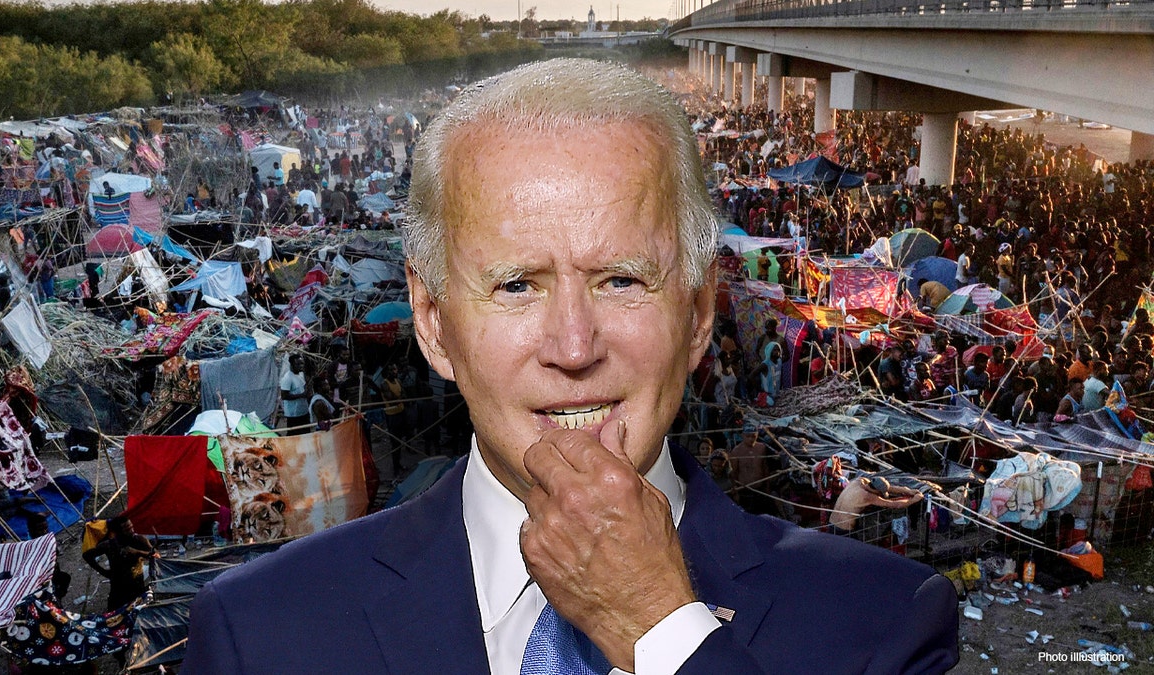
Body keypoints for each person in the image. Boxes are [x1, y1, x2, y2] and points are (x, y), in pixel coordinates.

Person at [183, 59, 958, 675]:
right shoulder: (263, 631)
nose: (575, 345)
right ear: (433, 322)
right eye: (517, 285)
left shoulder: (882, 624)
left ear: (696, 314)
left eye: (622, 279)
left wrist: (665, 632)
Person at [82, 516, 157, 610]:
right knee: (114, 614)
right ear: (118, 532)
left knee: (139, 610)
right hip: (118, 585)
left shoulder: (139, 540)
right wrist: (103, 572)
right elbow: (87, 556)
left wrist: (137, 552)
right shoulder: (109, 545)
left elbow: (156, 555)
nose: (132, 531)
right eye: (127, 530)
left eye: (131, 527)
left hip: (136, 583)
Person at [279, 354, 309, 434]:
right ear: (292, 365)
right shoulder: (287, 378)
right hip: (294, 414)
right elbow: (284, 396)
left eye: (302, 363)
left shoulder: (301, 374)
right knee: (294, 434)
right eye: (298, 364)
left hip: (303, 411)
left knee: (306, 433)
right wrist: (301, 395)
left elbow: (303, 386)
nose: (301, 366)